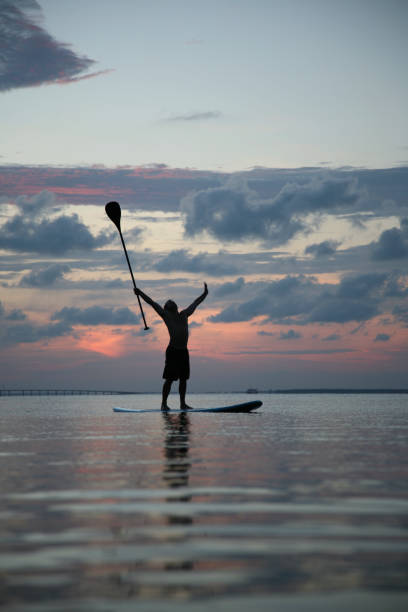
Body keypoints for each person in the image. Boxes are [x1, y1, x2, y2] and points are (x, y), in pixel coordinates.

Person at [134, 283, 208, 410]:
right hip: (173, 351)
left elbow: (196, 302)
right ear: (166, 308)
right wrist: (140, 293)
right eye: (168, 302)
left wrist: (205, 293)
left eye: (171, 302)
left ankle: (182, 403)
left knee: (183, 379)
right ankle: (164, 403)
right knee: (169, 379)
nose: (170, 302)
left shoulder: (184, 314)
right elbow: (152, 302)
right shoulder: (166, 315)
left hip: (183, 352)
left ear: (176, 306)